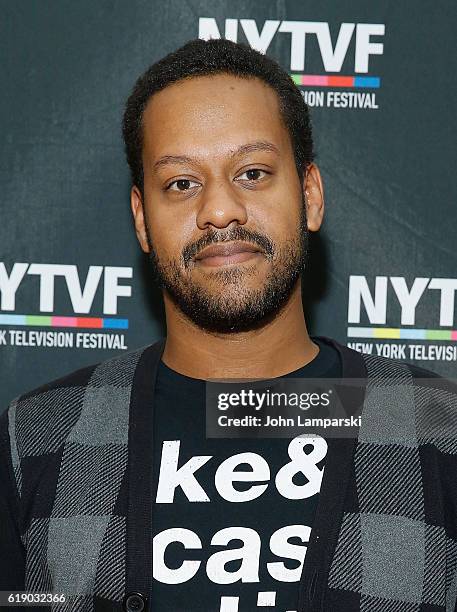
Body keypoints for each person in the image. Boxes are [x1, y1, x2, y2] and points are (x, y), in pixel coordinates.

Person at [1, 38, 456, 612]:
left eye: (253, 173)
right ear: (142, 220)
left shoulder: (438, 430)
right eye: (182, 183)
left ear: (310, 196)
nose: (220, 211)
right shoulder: (39, 437)